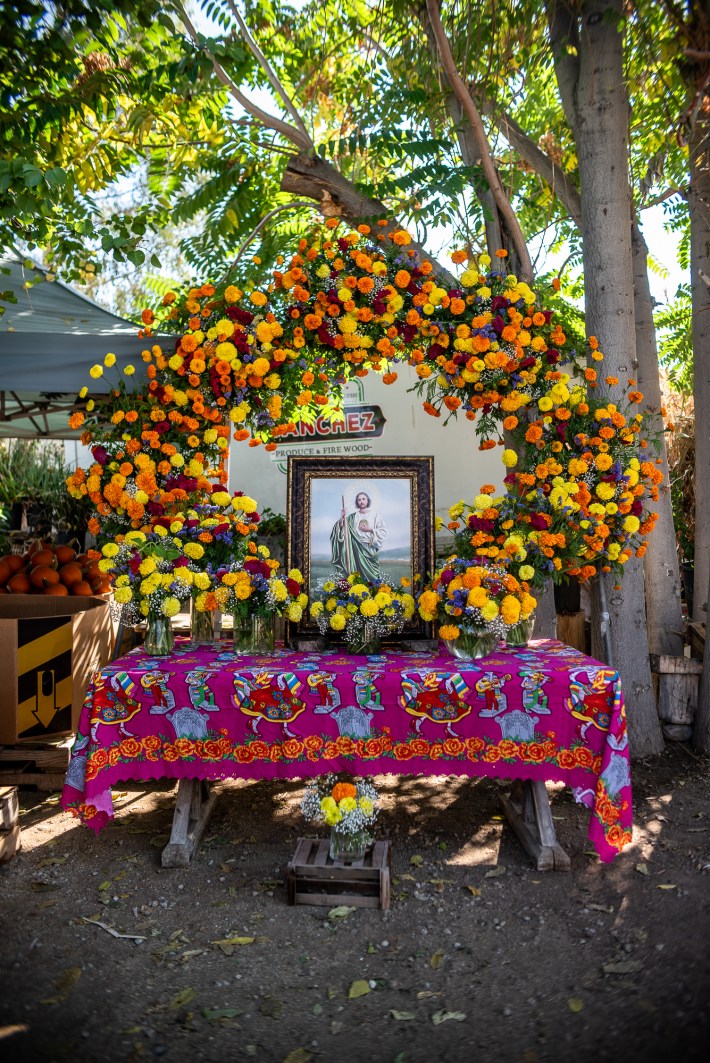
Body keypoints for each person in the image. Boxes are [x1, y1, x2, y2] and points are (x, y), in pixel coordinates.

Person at [330, 489, 388, 582]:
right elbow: (341, 528)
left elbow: (383, 532)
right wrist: (342, 516)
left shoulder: (376, 516)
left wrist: (369, 529)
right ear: (357, 502)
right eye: (359, 499)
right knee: (357, 577)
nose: (361, 501)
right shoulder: (352, 517)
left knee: (373, 579)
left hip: (370, 548)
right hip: (355, 550)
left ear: (367, 500)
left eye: (363, 499)